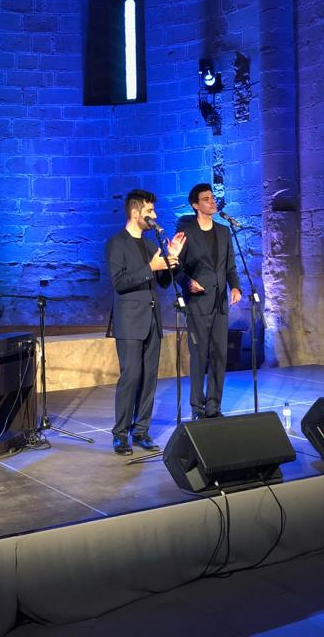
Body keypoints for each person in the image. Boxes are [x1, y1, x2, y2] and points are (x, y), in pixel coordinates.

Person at [105, 190, 185, 456]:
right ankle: (120, 434)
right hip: (129, 321)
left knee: (149, 377)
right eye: (150, 211)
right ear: (135, 212)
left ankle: (141, 431)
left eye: (153, 211)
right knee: (131, 377)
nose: (154, 216)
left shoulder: (152, 245)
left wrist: (172, 259)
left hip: (152, 320)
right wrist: (151, 267)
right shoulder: (117, 243)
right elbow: (119, 282)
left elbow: (163, 283)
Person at [176, 183, 241, 419]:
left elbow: (230, 265)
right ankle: (197, 407)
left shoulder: (224, 231)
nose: (212, 201)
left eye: (212, 197)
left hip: (220, 303)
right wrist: (187, 282)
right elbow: (177, 267)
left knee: (219, 355)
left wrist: (235, 286)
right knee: (199, 355)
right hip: (198, 302)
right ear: (195, 205)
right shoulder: (187, 231)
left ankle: (214, 406)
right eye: (206, 199)